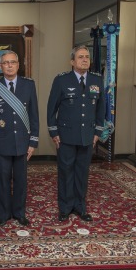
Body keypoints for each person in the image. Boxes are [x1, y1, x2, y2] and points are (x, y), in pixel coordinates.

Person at [47, 45, 105, 222]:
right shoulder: (61, 80)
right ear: (72, 61)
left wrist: (97, 131)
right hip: (65, 136)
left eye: (87, 56)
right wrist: (53, 131)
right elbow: (51, 108)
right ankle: (65, 207)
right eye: (80, 57)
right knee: (66, 172)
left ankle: (80, 206)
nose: (85, 60)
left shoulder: (97, 80)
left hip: (87, 136)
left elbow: (101, 108)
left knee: (82, 173)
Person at [0, 51, 39, 227]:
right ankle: (4, 214)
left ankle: (19, 213)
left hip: (22, 142)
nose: (9, 65)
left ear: (18, 65)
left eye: (12, 62)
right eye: (5, 63)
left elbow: (34, 115)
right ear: (0, 66)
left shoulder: (29, 85)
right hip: (2, 142)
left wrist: (33, 142)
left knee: (21, 180)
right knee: (3, 180)